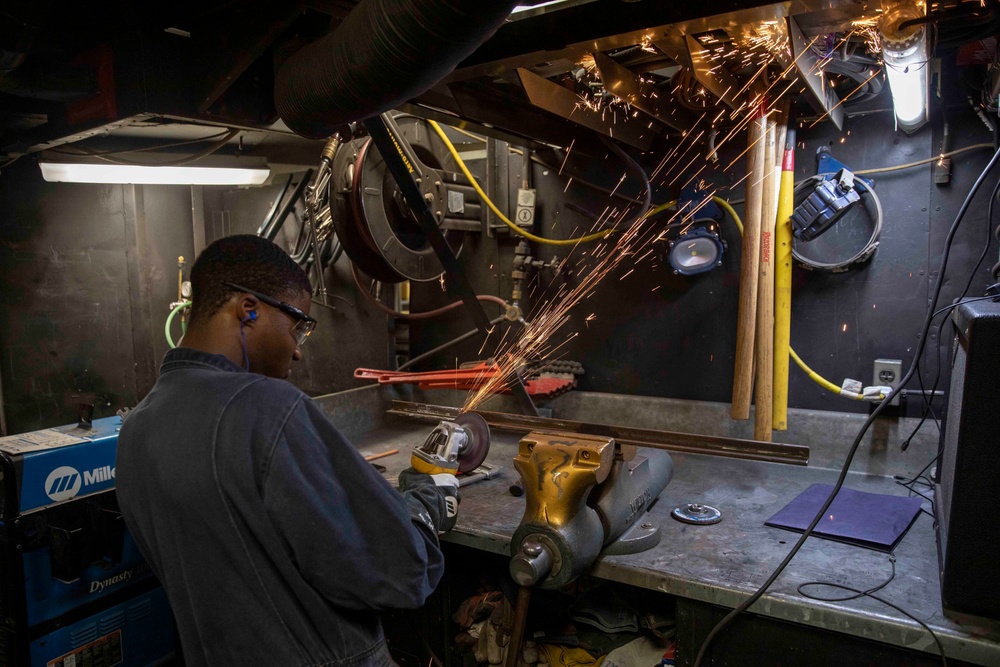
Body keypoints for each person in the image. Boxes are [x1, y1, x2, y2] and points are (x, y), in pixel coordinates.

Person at [116, 234, 459, 667]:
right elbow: (401, 575)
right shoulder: (267, 409)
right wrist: (426, 504)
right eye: (298, 325)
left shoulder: (136, 428)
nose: (298, 350)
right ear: (248, 309)